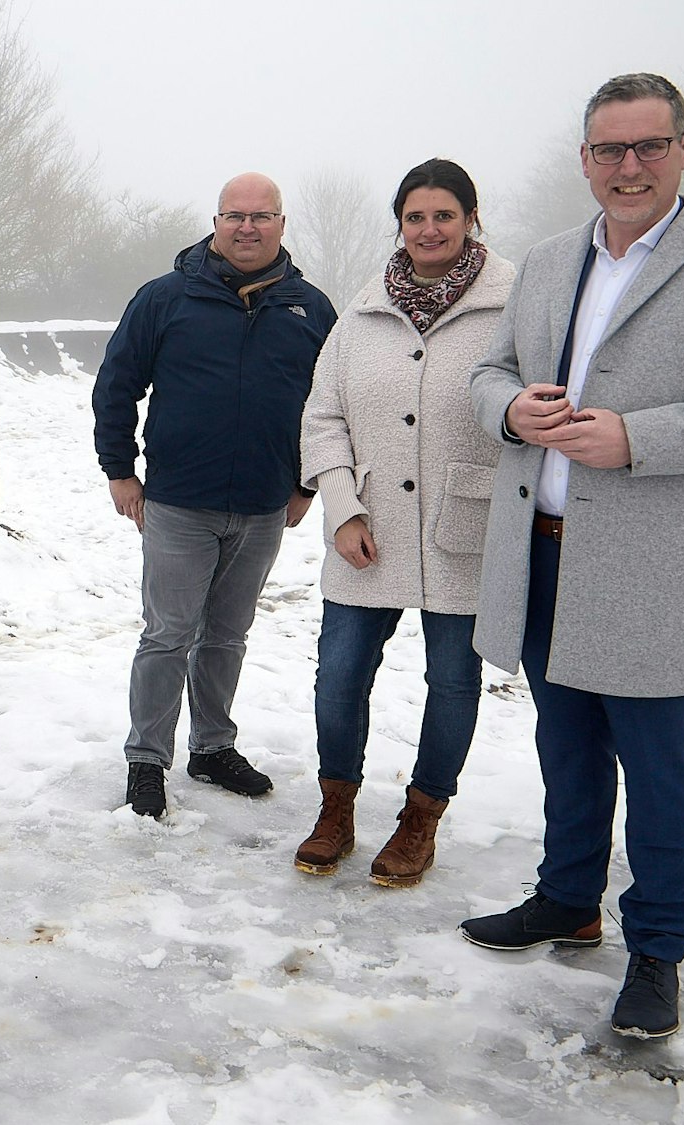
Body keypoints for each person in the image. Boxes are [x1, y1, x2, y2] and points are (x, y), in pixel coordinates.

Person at [461, 73, 684, 1039]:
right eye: (609, 150)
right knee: (564, 748)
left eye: (648, 146)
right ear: (585, 160)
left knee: (660, 768)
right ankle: (567, 896)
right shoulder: (546, 259)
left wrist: (638, 438)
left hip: (649, 562)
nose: (628, 167)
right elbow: (489, 372)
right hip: (540, 552)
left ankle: (657, 947)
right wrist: (509, 408)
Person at [293, 159, 513, 886]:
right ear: (400, 225)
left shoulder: (513, 301)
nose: (429, 229)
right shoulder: (362, 311)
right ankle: (336, 807)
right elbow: (323, 414)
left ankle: (421, 819)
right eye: (415, 217)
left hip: (465, 527)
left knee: (453, 679)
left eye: (444, 215)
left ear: (470, 220)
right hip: (370, 530)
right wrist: (341, 506)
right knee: (339, 675)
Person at [93, 172, 338, 819]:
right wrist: (120, 470)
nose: (248, 227)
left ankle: (212, 747)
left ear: (282, 225)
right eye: (235, 215)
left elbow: (330, 405)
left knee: (227, 635)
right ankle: (147, 759)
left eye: (261, 216)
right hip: (178, 502)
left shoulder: (311, 310)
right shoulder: (166, 299)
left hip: (263, 506)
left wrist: (305, 480)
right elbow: (116, 382)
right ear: (216, 221)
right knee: (169, 634)